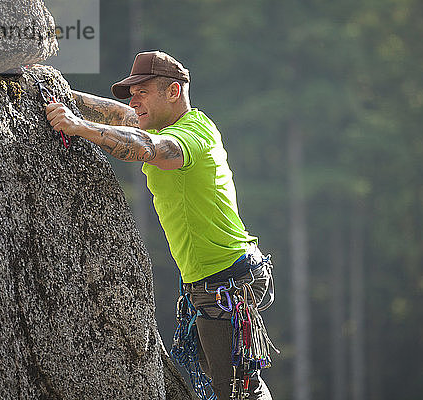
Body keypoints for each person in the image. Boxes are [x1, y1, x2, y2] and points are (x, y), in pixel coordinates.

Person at [45, 50, 274, 399]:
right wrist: (51, 89)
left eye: (143, 92)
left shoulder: (192, 134)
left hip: (229, 282)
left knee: (237, 391)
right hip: (216, 279)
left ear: (173, 92)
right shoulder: (160, 122)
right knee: (229, 384)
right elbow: (121, 115)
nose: (134, 102)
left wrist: (80, 127)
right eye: (132, 94)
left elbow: (149, 148)